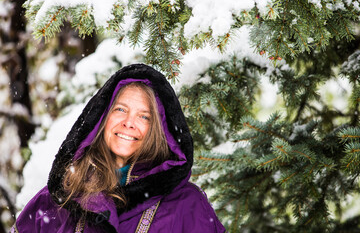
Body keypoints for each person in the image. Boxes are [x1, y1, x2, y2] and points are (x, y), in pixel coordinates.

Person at [11, 64, 226, 233]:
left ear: (159, 131)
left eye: (144, 116)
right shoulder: (56, 199)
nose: (129, 123)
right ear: (101, 118)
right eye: (121, 109)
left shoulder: (188, 205)